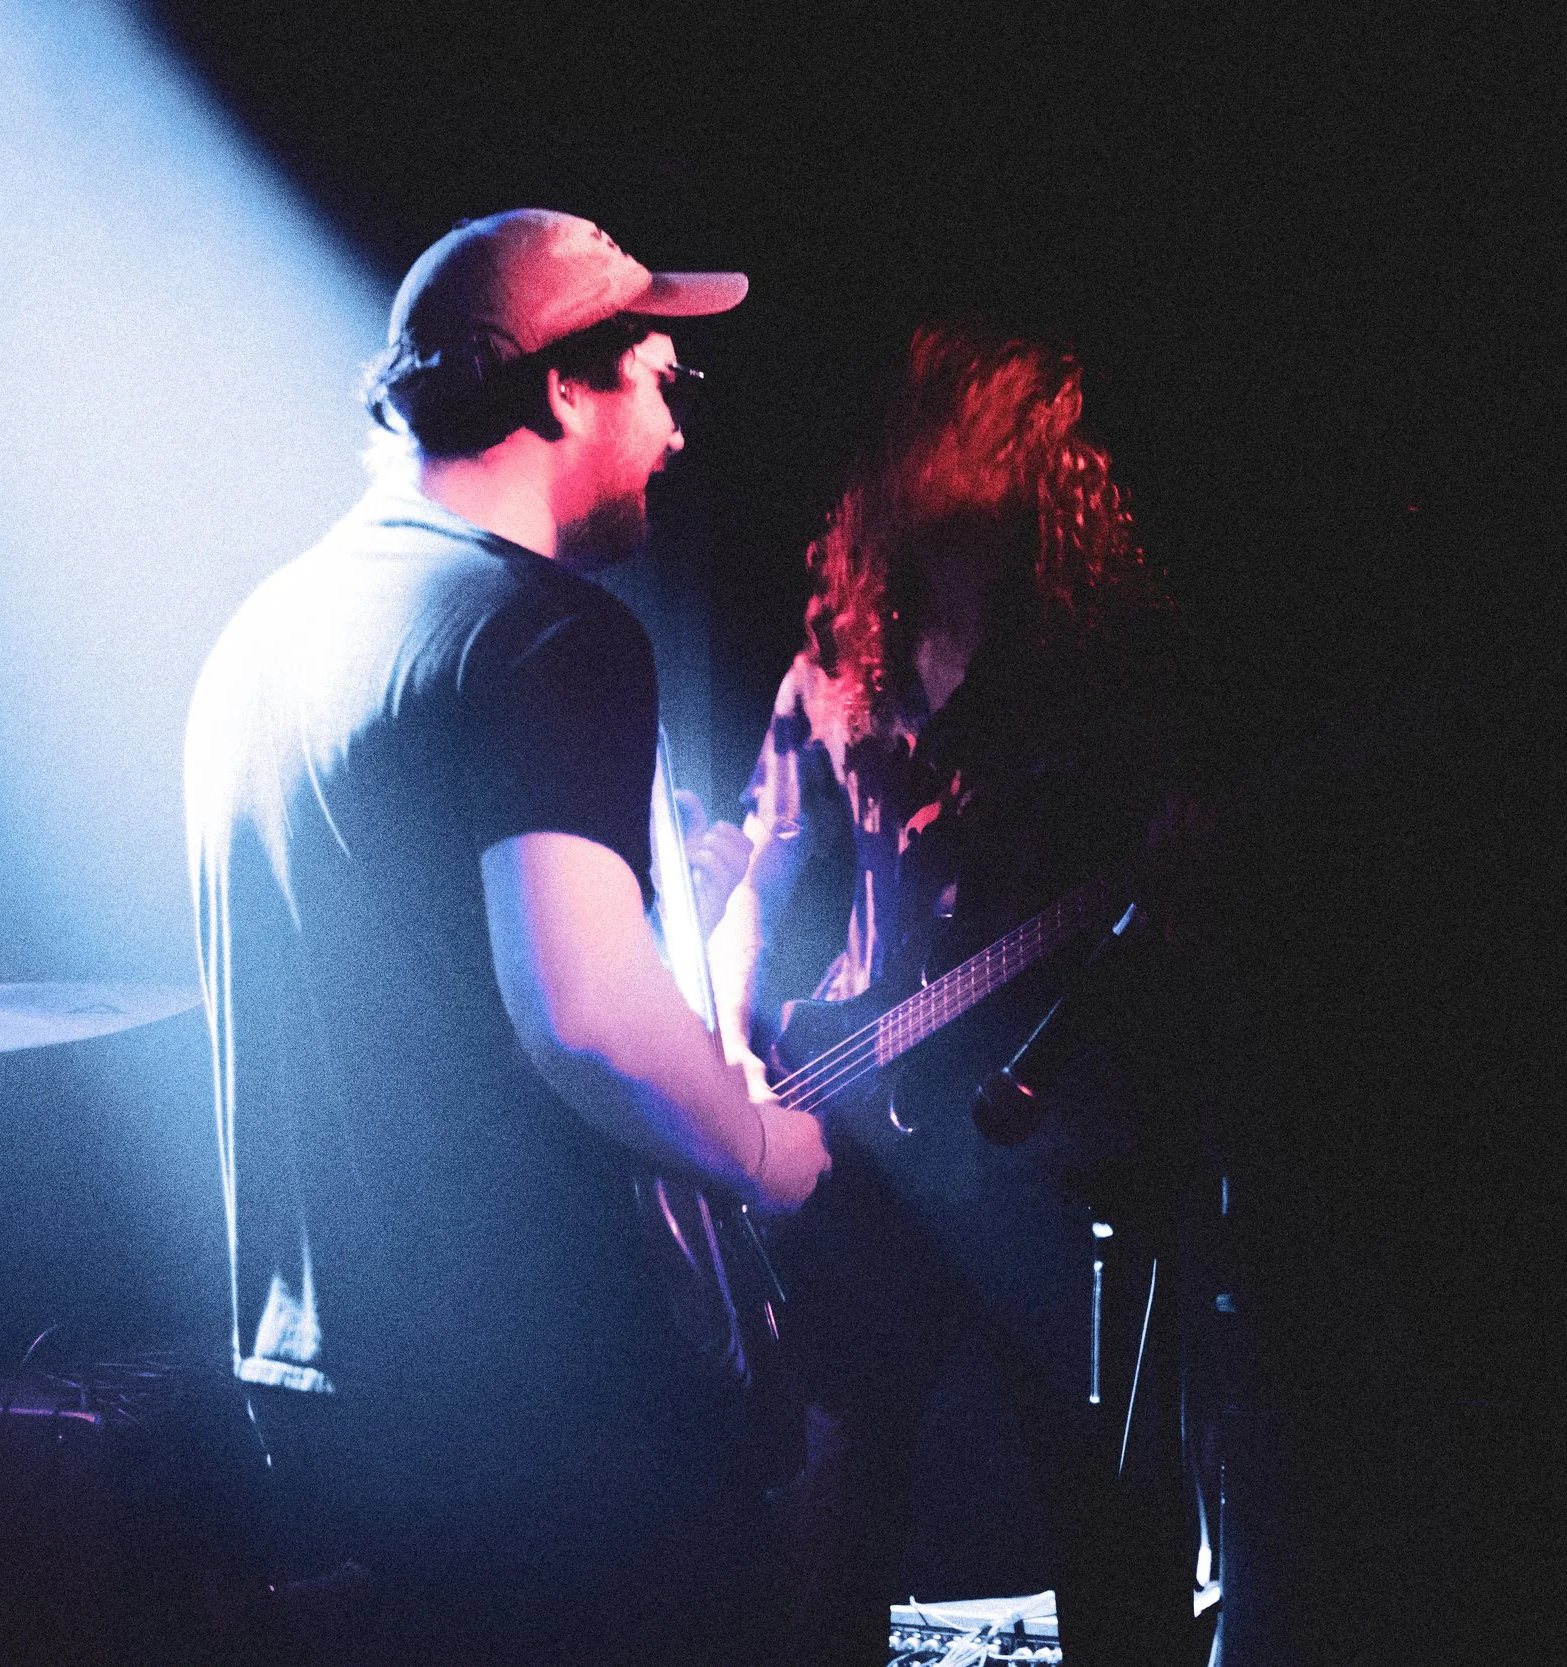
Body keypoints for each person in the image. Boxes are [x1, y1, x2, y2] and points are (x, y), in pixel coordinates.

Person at [184, 208, 828, 1666]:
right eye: (665, 381)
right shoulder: (539, 633)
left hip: (324, 1394)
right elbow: (586, 1011)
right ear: (559, 387)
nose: (676, 433)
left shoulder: (263, 638)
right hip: (551, 1408)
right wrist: (769, 1150)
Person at [705, 323, 1215, 1666]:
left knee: (1106, 1503)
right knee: (838, 1487)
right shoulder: (832, 650)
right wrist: (732, 1050)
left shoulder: (1107, 660)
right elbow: (766, 868)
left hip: (1052, 1133)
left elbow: (1168, 912)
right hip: (865, 1118)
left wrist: (1173, 884)